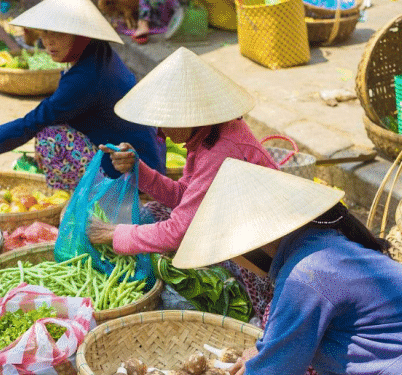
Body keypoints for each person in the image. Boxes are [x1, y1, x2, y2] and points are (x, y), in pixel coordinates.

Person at [172, 158, 402, 375]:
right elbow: (291, 348)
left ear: (254, 245)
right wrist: (261, 358)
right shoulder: (317, 248)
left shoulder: (307, 273)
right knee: (277, 355)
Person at [0, 0, 166, 191]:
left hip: (133, 173)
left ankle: (86, 198)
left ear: (81, 34)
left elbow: (35, 120)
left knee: (49, 136)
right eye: (45, 33)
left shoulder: (86, 78)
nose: (48, 42)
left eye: (58, 34)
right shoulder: (99, 53)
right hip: (145, 157)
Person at [86, 46, 278, 258]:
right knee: (151, 214)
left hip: (258, 250)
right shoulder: (205, 134)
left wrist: (113, 234)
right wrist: (136, 168)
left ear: (189, 115)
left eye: (166, 122)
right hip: (230, 227)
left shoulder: (220, 150)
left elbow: (177, 232)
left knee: (161, 245)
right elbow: (184, 196)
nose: (161, 133)